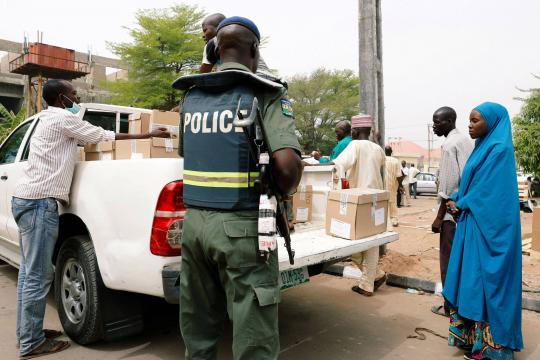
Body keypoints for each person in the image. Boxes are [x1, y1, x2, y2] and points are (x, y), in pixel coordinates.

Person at [173, 16, 302, 359]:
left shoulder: (192, 96)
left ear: (215, 50)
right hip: (242, 230)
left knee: (198, 328)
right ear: (255, 51)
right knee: (252, 333)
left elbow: (188, 154)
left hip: (195, 226)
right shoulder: (265, 94)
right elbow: (288, 169)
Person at [11, 79, 170, 358]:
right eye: (73, 94)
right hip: (39, 204)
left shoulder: (48, 120)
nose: (77, 97)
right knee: (38, 276)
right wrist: (146, 136)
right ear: (62, 98)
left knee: (29, 274)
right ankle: (31, 342)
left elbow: (84, 144)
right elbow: (102, 135)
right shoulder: (62, 119)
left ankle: (28, 332)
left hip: (26, 200)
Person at [444, 102, 523, 359]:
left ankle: (493, 349)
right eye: (469, 120)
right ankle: (471, 340)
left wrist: (462, 203)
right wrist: (456, 197)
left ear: (492, 122)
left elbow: (488, 193)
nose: (469, 125)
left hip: (491, 231)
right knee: (471, 284)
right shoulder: (481, 149)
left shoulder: (498, 149)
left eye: (475, 120)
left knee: (488, 285)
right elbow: (471, 184)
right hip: (474, 226)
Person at [327, 115, 387, 296]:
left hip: (359, 200)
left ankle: (369, 281)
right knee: (372, 242)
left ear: (354, 130)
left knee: (354, 243)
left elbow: (338, 164)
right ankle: (372, 278)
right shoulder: (378, 149)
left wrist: (313, 164)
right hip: (377, 199)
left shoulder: (354, 145)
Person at [430, 106, 473, 317]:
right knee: (462, 261)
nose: (434, 127)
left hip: (450, 214)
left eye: (437, 123)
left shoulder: (449, 145)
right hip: (464, 209)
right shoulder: (466, 141)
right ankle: (459, 305)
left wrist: (438, 218)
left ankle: (449, 306)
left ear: (449, 121)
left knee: (448, 262)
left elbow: (447, 188)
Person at [199, 13, 274, 79]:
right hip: (267, 78)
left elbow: (204, 72)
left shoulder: (213, 42)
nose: (203, 35)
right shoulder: (246, 39)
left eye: (205, 30)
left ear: (220, 26)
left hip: (242, 79)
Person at [384, 145, 402, 227]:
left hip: (383, 184)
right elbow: (399, 175)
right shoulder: (396, 161)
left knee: (384, 202)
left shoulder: (382, 160)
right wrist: (401, 186)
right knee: (392, 202)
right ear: (391, 152)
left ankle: (385, 220)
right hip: (392, 184)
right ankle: (394, 220)